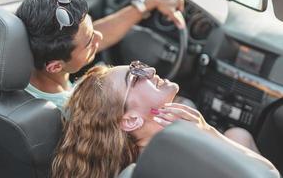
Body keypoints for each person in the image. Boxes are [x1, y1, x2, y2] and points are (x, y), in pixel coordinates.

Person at [51, 61, 279, 178]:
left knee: (238, 134)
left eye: (138, 65)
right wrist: (208, 133)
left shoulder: (140, 160)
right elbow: (268, 175)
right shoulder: (183, 161)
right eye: (136, 76)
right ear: (131, 120)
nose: (149, 70)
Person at [16, 0, 185, 116]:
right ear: (55, 67)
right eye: (90, 41)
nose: (99, 36)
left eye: (91, 26)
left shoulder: (21, 61)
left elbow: (85, 37)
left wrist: (147, 3)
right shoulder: (72, 112)